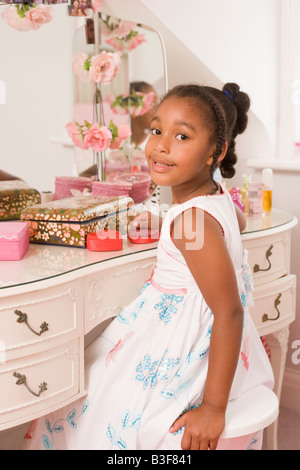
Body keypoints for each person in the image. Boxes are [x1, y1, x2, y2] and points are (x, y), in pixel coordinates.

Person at [22, 83, 273, 451]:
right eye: (156, 130)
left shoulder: (190, 225)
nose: (161, 145)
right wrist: (167, 216)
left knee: (89, 392)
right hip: (197, 335)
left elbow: (229, 312)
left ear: (214, 152)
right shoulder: (216, 202)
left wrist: (214, 407)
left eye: (182, 136)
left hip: (182, 348)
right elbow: (237, 221)